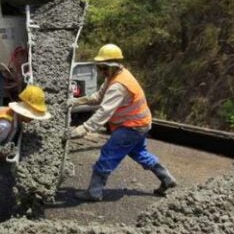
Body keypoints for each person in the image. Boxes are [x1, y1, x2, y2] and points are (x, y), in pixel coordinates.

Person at [69, 44, 176, 200]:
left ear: (113, 65)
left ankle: (94, 192)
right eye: (100, 68)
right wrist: (76, 101)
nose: (102, 72)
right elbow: (98, 97)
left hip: (131, 127)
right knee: (139, 153)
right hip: (141, 124)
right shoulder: (116, 76)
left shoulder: (119, 85)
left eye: (104, 68)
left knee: (108, 153)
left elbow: (104, 111)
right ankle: (167, 179)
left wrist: (84, 128)